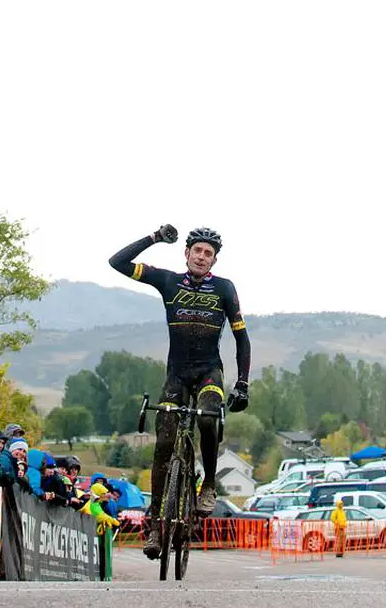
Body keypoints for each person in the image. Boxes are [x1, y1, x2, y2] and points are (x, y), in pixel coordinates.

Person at [108, 224, 252, 559]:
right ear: (186, 253)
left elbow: (241, 338)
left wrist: (242, 382)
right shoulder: (168, 281)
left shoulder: (224, 289)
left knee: (208, 415)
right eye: (197, 251)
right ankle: (156, 526)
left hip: (208, 372)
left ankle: (209, 485)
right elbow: (117, 263)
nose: (202, 257)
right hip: (175, 376)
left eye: (208, 253)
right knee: (163, 444)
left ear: (214, 260)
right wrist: (153, 238)